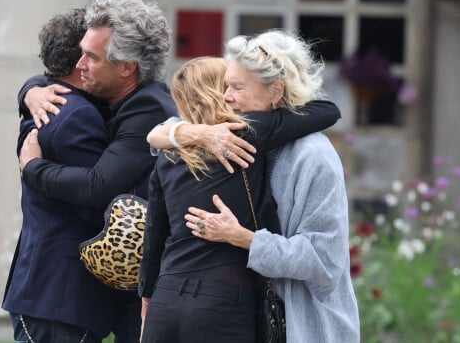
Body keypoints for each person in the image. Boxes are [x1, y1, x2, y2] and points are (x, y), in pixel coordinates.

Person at [138, 55, 341, 343]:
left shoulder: (168, 154)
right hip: (223, 302)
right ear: (218, 91)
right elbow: (327, 110)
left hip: (166, 299)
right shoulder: (247, 131)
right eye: (229, 84)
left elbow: (154, 235)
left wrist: (147, 301)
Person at [16, 0, 177, 342]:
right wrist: (30, 90)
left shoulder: (148, 110)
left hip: (150, 292)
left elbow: (97, 185)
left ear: (126, 67)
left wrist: (33, 169)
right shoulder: (107, 98)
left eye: (91, 56)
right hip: (117, 289)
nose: (80, 64)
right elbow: (53, 81)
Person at [182, 31, 361, 342]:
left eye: (237, 87)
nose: (226, 97)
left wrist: (243, 238)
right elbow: (161, 132)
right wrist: (182, 134)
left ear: (276, 91)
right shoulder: (238, 139)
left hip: (309, 327)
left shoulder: (314, 156)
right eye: (226, 86)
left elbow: (326, 263)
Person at [2, 8, 110, 342]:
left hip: (44, 291)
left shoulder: (48, 100)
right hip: (61, 295)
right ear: (82, 60)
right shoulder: (78, 115)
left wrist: (29, 88)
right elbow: (92, 201)